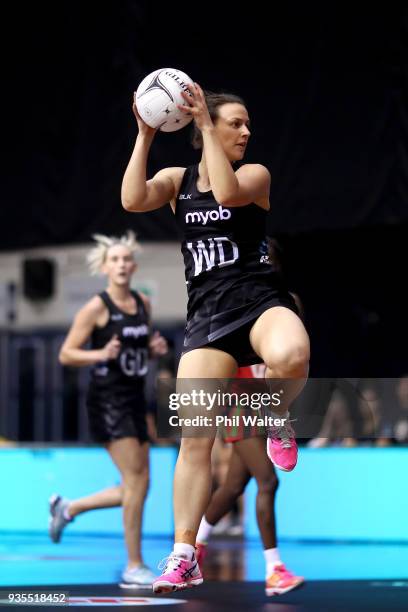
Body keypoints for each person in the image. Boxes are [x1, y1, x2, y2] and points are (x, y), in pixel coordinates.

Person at [121, 83, 310, 592]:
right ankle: (184, 554)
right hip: (207, 320)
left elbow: (227, 194)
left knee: (292, 353)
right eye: (236, 123)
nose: (246, 131)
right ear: (209, 125)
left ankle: (276, 414)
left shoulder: (255, 175)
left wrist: (206, 127)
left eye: (247, 124)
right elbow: (132, 198)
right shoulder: (177, 180)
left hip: (258, 303)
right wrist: (144, 133)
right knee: (194, 444)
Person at [48, 231, 167, 588]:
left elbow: (138, 348)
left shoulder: (143, 304)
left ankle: (68, 508)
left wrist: (153, 348)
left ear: (133, 266)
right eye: (114, 259)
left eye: (126, 259)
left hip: (134, 398)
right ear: (104, 267)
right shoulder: (96, 307)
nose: (121, 264)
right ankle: (134, 566)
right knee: (136, 482)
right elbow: (66, 353)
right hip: (107, 399)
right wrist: (99, 353)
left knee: (138, 486)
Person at [196, 364, 304, 597]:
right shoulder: (242, 333)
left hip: (269, 414)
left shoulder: (281, 337)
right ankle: (274, 570)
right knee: (268, 482)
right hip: (241, 412)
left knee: (233, 487)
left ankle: (197, 543)